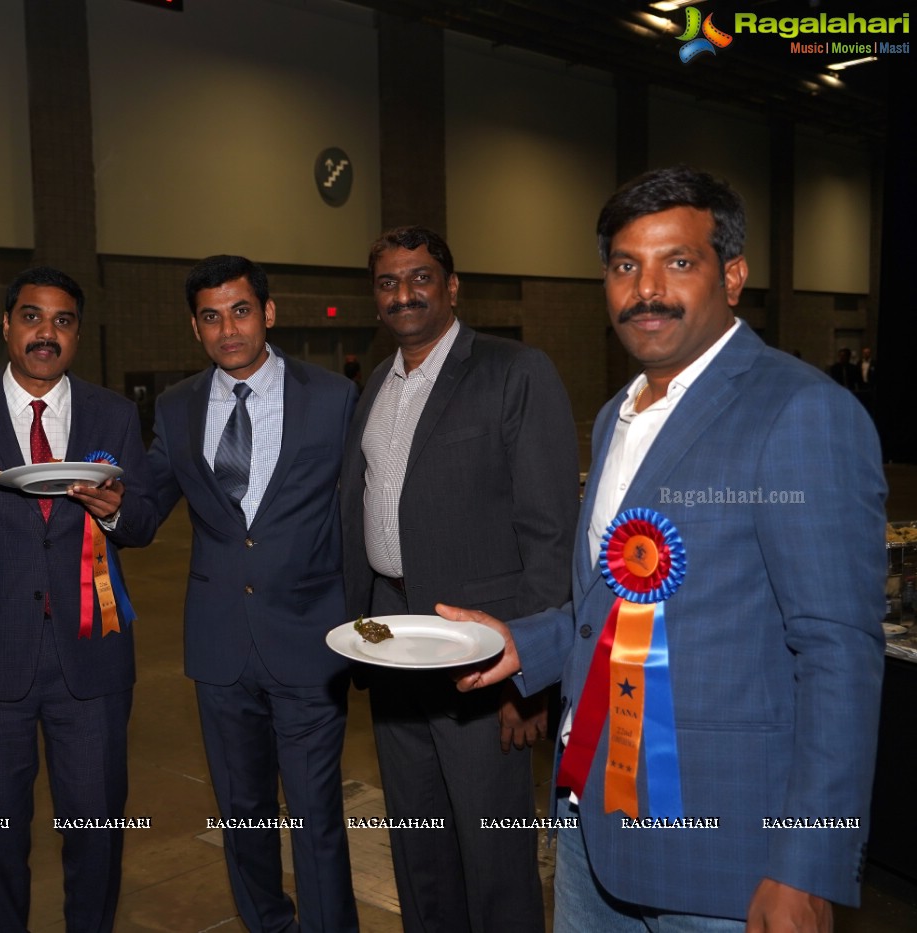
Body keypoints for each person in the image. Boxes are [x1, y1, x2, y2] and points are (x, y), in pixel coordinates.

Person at [452, 167, 886, 930]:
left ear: (733, 275)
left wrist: (805, 864)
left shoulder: (802, 411)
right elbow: (613, 607)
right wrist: (524, 642)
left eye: (677, 262)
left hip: (729, 856)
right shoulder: (617, 412)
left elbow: (838, 652)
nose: (645, 288)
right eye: (625, 265)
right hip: (592, 820)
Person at [0, 266, 157, 933]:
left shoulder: (114, 413)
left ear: (76, 334)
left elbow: (147, 520)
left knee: (95, 832)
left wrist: (117, 510)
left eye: (62, 320)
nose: (47, 333)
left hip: (91, 660)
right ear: (7, 325)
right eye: (33, 317)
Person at [340, 226, 578, 933]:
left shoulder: (514, 370)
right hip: (392, 635)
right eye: (387, 281)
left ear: (451, 287)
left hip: (480, 648)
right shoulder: (377, 383)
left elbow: (548, 530)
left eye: (419, 277)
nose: (403, 293)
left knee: (493, 842)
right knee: (417, 835)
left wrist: (530, 674)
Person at [146, 255, 359, 932]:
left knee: (315, 813)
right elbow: (147, 504)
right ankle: (266, 922)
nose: (227, 329)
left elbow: (364, 507)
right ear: (194, 326)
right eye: (211, 316)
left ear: (267, 312)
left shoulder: (332, 398)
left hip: (309, 638)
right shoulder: (176, 406)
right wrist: (108, 499)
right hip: (219, 645)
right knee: (241, 813)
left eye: (240, 310)